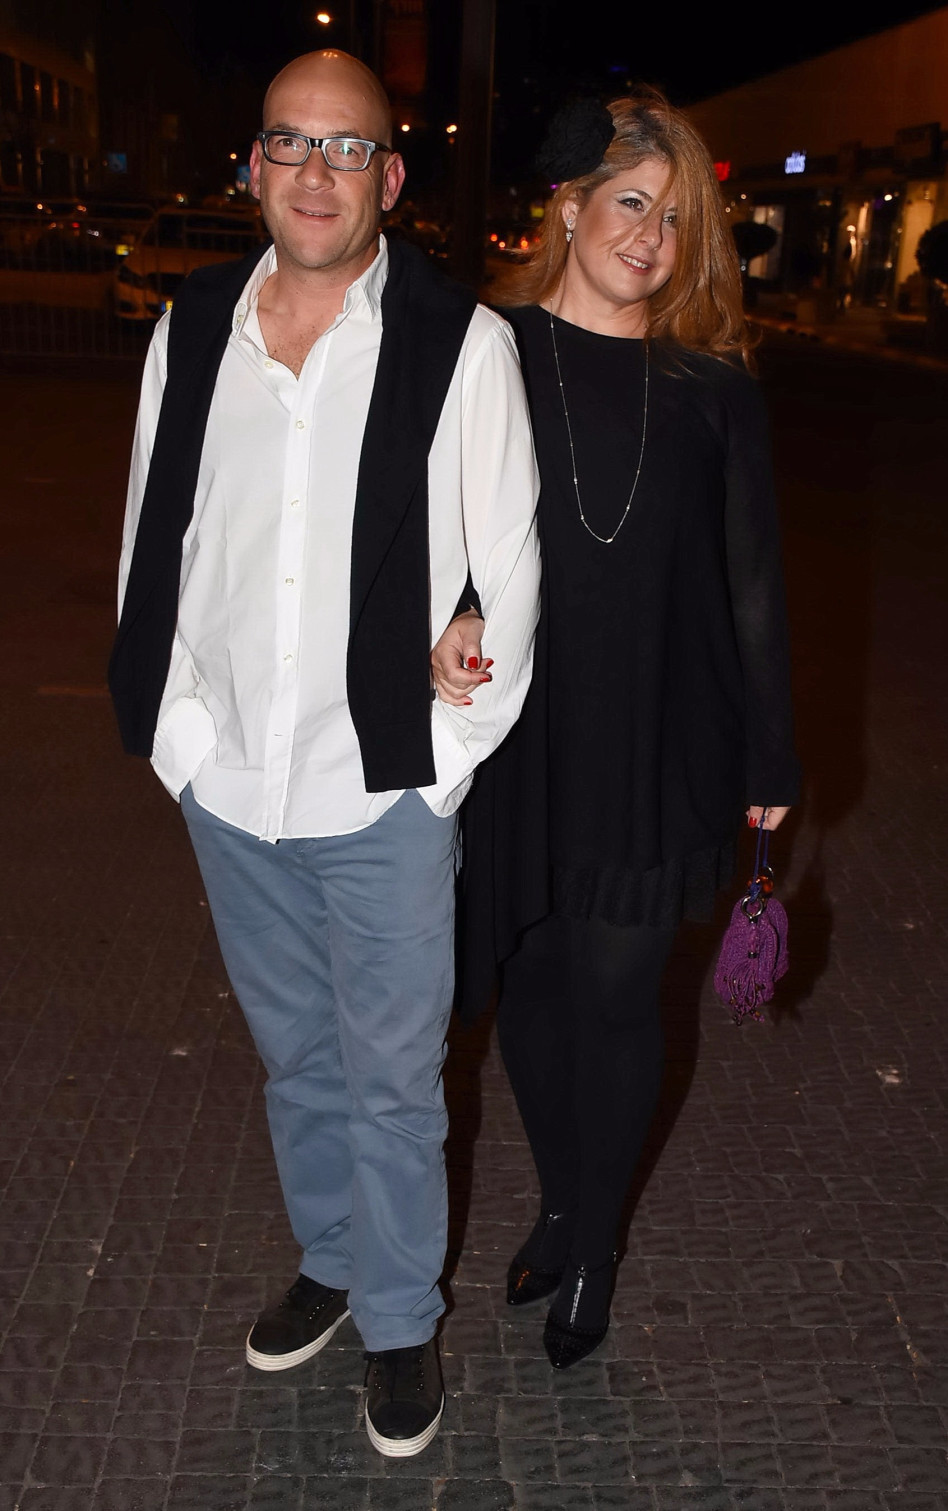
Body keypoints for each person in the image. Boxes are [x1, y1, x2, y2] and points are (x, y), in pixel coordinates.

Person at [109, 50, 539, 1455]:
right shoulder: (192, 328)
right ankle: (338, 1259)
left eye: (346, 148)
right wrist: (181, 739)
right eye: (289, 143)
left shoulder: (458, 343)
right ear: (253, 165)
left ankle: (402, 1318)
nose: (314, 171)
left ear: (389, 178)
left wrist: (439, 762)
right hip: (232, 783)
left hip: (380, 788)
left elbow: (508, 574)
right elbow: (157, 539)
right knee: (296, 1054)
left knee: (395, 1077)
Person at [432, 90, 800, 1370]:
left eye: (677, 216)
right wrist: (447, 614)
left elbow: (754, 582)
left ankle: (594, 1243)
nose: (651, 233)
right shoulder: (487, 351)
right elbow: (436, 524)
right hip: (524, 733)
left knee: (616, 992)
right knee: (529, 990)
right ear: (569, 207)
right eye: (631, 201)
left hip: (662, 733)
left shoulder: (713, 389)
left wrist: (772, 755)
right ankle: (562, 1198)